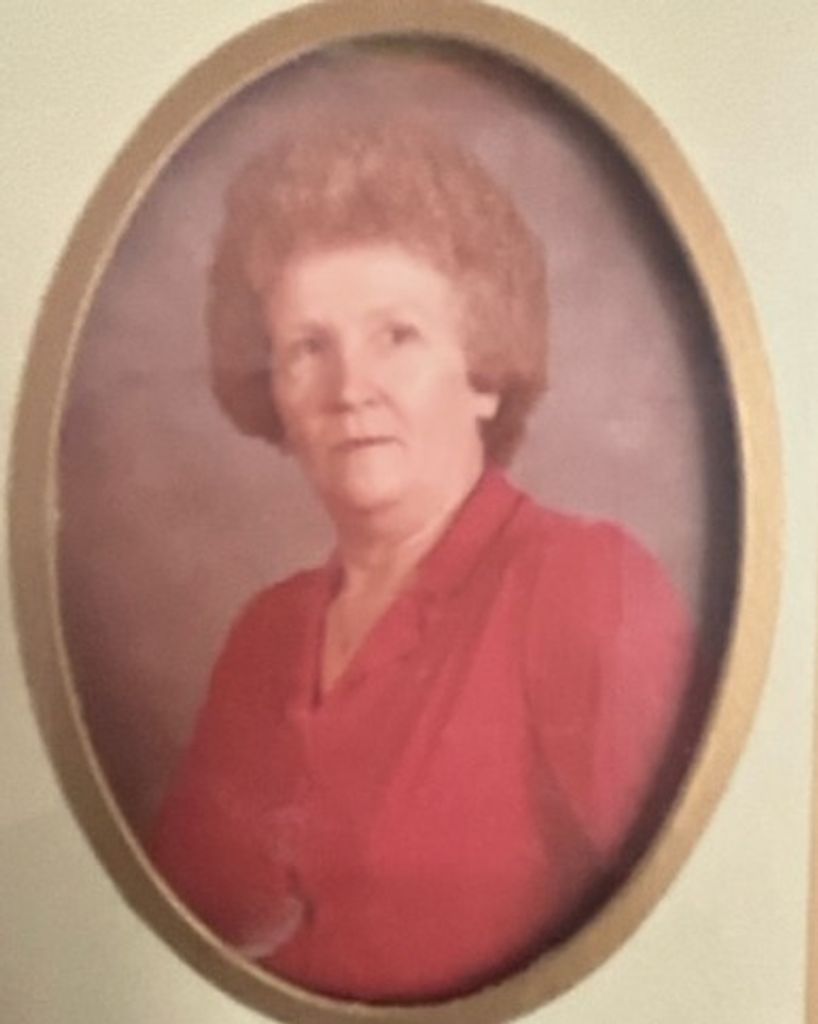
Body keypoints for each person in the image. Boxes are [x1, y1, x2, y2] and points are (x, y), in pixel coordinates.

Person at [149, 118, 692, 1003]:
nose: (349, 388)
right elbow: (171, 954)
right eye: (309, 347)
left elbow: (686, 951)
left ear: (484, 375)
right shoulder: (265, 636)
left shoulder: (585, 589)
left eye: (396, 336)